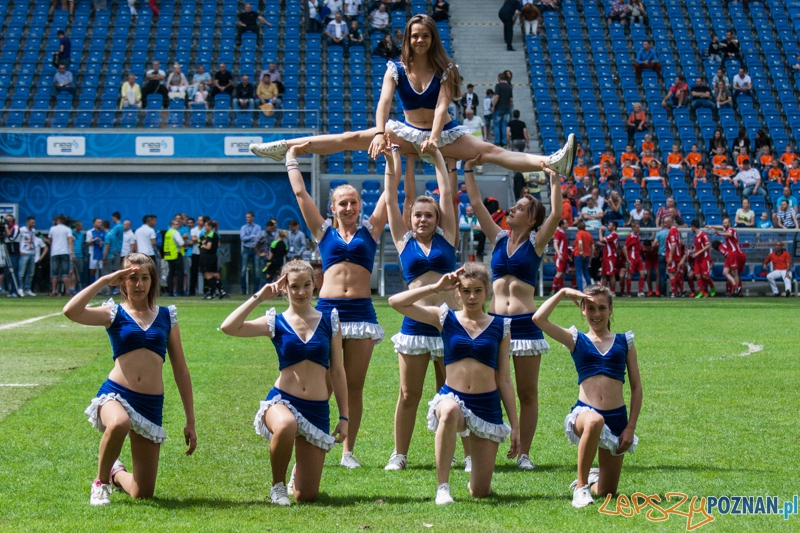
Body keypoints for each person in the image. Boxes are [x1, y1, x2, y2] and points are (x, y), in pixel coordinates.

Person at [249, 14, 577, 178]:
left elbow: (442, 106)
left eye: (425, 35)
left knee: (490, 151)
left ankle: (551, 162)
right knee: (349, 137)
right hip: (404, 132)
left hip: (442, 135)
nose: (419, 40)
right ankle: (286, 147)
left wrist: (434, 139)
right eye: (414, 35)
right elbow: (384, 103)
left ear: (433, 38)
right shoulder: (394, 68)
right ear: (408, 38)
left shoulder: (447, 68)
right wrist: (379, 133)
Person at [62, 254, 196, 506]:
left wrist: (190, 419)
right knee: (119, 423)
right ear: (122, 282)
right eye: (132, 278)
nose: (138, 284)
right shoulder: (113, 313)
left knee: (142, 492)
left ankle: (115, 473)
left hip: (151, 404)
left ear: (152, 281)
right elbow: (71, 311)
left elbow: (181, 369)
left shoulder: (167, 316)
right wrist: (104, 280)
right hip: (116, 395)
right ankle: (100, 484)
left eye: (144, 278)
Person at [284, 142, 388, 468]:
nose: (348, 207)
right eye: (342, 203)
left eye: (353, 202)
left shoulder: (371, 230)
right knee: (322, 384)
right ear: (333, 207)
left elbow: (390, 190)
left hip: (361, 312)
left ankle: (348, 451)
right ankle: (313, 439)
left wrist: (392, 156)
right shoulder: (323, 231)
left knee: (354, 386)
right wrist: (291, 160)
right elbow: (301, 196)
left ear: (360, 205)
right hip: (327, 311)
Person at [388, 264, 519, 504]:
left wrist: (515, 425)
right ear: (457, 291)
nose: (471, 297)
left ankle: (477, 481)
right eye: (466, 290)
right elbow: (396, 302)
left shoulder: (501, 326)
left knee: (480, 491)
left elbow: (505, 379)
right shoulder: (445, 317)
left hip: (487, 405)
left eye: (477, 291)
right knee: (448, 410)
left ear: (487, 291)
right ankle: (443, 488)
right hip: (453, 397)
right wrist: (435, 288)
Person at [220, 260, 348, 504]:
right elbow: (229, 327)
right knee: (287, 424)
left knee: (306, 496)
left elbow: (338, 372)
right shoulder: (275, 321)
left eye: (306, 285)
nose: (300, 292)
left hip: (317, 410)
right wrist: (259, 296)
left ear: (315, 286)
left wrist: (344, 417)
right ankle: (277, 486)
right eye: (294, 286)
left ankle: (294, 479)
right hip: (282, 401)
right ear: (284, 288)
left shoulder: (329, 320)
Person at [464, 155, 561, 470]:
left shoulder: (536, 242)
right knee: (485, 386)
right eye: (514, 206)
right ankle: (481, 447)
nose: (513, 209)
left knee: (526, 392)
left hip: (525, 325)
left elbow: (557, 213)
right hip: (493, 324)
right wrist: (468, 169)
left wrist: (554, 177)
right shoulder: (499, 237)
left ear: (532, 219)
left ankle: (524, 454)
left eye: (520, 208)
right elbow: (477, 203)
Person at [382, 142, 458, 471]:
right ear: (409, 218)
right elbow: (391, 195)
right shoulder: (403, 239)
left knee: (453, 394)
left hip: (447, 324)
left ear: (437, 218)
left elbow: (447, 191)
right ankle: (399, 454)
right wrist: (393, 160)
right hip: (414, 324)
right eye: (417, 215)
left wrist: (436, 155)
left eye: (429, 215)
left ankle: (459, 453)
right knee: (408, 394)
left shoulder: (448, 237)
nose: (423, 219)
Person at [533, 284, 641, 508]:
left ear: (611, 309)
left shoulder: (625, 341)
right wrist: (562, 293)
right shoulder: (576, 339)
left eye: (602, 307)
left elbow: (636, 388)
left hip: (617, 419)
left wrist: (630, 427)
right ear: (582, 310)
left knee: (607, 492)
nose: (596, 314)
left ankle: (591, 480)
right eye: (590, 308)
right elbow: (538, 319)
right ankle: (581, 488)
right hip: (585, 414)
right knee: (594, 420)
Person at [707, 218, 746, 296]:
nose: (724, 224)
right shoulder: (725, 229)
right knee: (725, 272)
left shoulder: (732, 230)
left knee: (735, 273)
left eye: (725, 223)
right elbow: (721, 227)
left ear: (730, 223)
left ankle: (737, 290)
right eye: (723, 223)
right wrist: (712, 226)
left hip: (734, 253)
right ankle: (736, 287)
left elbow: (729, 235)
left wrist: (719, 234)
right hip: (730, 254)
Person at [199, 219, 227, 299]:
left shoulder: (211, 235)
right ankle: (220, 291)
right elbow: (218, 245)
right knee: (215, 274)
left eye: (206, 225)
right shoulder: (215, 235)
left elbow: (209, 247)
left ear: (210, 226)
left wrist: (203, 246)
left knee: (209, 275)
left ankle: (210, 293)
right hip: (212, 256)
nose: (205, 227)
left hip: (209, 257)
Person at [240, 211, 261, 295]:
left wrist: (247, 237)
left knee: (256, 270)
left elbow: (257, 238)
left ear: (252, 217)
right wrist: (251, 237)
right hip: (246, 249)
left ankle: (255, 290)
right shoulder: (243, 227)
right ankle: (243, 290)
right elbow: (242, 238)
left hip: (255, 249)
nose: (247, 219)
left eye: (248, 217)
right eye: (246, 217)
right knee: (243, 270)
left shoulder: (258, 227)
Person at [623, 221, 646, 297]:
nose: (638, 228)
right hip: (632, 259)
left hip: (638, 258)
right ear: (633, 228)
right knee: (630, 274)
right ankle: (628, 292)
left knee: (642, 273)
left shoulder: (637, 236)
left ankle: (640, 292)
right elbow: (625, 248)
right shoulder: (630, 237)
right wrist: (627, 259)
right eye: (637, 227)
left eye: (639, 227)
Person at [164, 218, 186, 297]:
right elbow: (181, 243)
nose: (178, 225)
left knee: (171, 274)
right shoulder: (175, 232)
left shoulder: (167, 233)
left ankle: (170, 292)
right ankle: (180, 291)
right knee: (180, 274)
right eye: (176, 224)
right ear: (172, 225)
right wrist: (184, 240)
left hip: (169, 255)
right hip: (176, 255)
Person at [598, 223, 619, 294]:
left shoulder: (614, 235)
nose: (608, 226)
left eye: (610, 225)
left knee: (611, 274)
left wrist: (600, 231)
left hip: (610, 257)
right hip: (606, 257)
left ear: (614, 227)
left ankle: (612, 291)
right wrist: (603, 245)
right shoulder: (611, 235)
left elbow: (601, 239)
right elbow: (609, 245)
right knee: (603, 274)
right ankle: (604, 291)